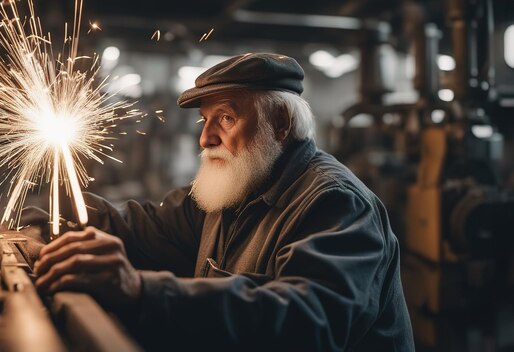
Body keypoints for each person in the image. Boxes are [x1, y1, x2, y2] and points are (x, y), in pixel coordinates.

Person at [33, 53, 414, 351]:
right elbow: (146, 227)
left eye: (226, 118)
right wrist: (57, 207)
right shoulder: (233, 187)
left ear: (280, 123)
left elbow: (307, 320)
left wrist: (139, 289)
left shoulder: (334, 203)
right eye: (205, 120)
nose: (206, 138)